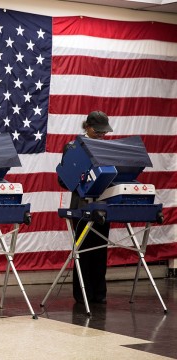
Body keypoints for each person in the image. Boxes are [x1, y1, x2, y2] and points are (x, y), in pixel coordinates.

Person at [58, 110, 113, 305]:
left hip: (103, 204)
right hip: (81, 206)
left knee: (100, 250)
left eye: (104, 132)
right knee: (84, 251)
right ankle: (83, 295)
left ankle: (99, 294)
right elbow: (62, 180)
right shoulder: (73, 147)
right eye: (98, 131)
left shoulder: (107, 148)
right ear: (87, 127)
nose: (101, 135)